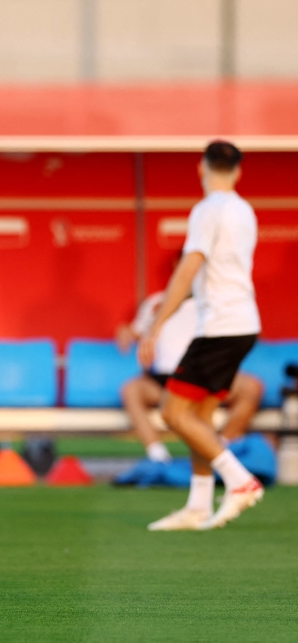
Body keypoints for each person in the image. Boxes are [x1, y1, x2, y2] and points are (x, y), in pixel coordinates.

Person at [140, 140, 264, 531]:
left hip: (220, 327)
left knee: (171, 412)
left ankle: (241, 481)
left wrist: (156, 325)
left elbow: (187, 272)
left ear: (201, 168)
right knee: (199, 416)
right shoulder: (245, 210)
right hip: (243, 324)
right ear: (239, 171)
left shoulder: (206, 210)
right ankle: (197, 505)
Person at [117, 286, 263, 463]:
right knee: (134, 391)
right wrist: (129, 332)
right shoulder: (156, 302)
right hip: (166, 378)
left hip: (206, 374)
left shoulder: (217, 300)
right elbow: (135, 332)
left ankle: (220, 452)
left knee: (250, 387)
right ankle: (158, 457)